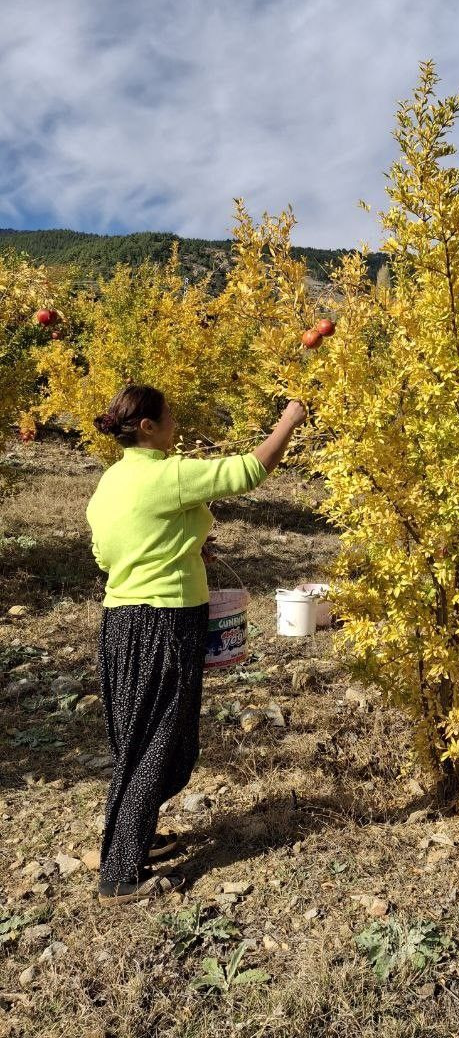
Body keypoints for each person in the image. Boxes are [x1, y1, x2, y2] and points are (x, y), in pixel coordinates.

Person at [86, 384, 307, 906]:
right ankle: (120, 873)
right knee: (161, 741)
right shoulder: (168, 473)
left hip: (121, 624)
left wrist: (183, 547)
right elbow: (250, 470)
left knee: (140, 742)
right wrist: (289, 420)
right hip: (164, 623)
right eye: (170, 416)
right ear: (146, 427)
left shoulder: (110, 483)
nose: (176, 424)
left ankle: (129, 838)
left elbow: (107, 556)